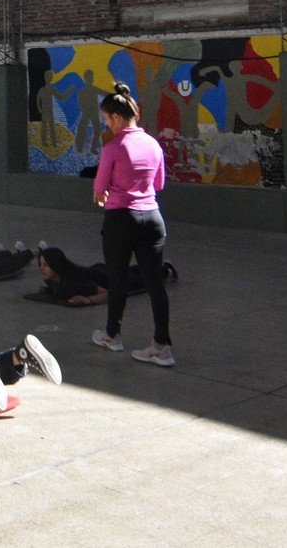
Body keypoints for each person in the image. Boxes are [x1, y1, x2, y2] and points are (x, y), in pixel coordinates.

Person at [90, 82, 174, 366]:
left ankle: (112, 335)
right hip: (152, 218)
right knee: (155, 284)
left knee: (118, 278)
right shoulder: (153, 144)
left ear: (116, 117)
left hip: (120, 219)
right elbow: (159, 183)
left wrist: (107, 192)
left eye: (106, 119)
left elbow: (100, 187)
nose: (107, 124)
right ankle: (161, 346)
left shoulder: (113, 148)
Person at [33, 246, 178, 306]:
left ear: (56, 265)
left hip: (109, 280)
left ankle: (166, 269)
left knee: (140, 279)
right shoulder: (52, 279)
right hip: (96, 271)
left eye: (46, 265)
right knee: (131, 270)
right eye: (41, 265)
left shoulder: (74, 282)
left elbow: (107, 293)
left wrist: (87, 299)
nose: (42, 269)